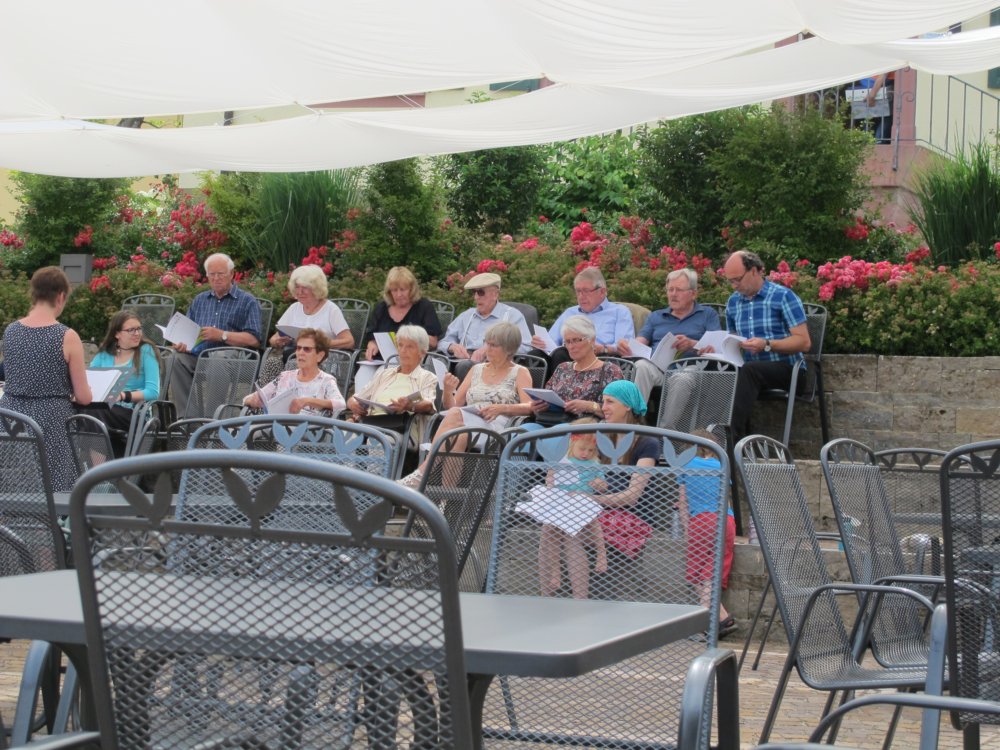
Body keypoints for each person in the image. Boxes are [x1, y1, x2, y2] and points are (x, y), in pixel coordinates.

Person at [400, 321, 533, 487]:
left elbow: (530, 407)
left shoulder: (520, 372)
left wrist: (502, 408)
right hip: (470, 423)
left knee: (456, 417)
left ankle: (422, 473)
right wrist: (448, 390)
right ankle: (446, 501)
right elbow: (453, 406)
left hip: (497, 427)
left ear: (508, 348)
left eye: (494, 345)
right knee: (460, 436)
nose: (488, 349)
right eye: (487, 343)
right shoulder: (476, 369)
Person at [0, 267, 92, 491]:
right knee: (54, 489)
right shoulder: (66, 336)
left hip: (11, 419)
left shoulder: (11, 331)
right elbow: (83, 396)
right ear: (60, 296)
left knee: (15, 488)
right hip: (50, 422)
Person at [711, 250, 810, 441]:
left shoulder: (782, 296)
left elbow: (804, 342)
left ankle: (728, 439)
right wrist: (717, 349)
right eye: (730, 281)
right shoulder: (733, 302)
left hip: (789, 370)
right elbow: (733, 340)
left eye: (738, 279)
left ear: (755, 271)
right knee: (714, 370)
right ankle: (703, 437)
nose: (734, 285)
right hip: (749, 371)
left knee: (750, 370)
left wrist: (767, 344)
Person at [170, 253, 261, 409]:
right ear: (207, 276)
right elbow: (185, 330)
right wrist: (180, 342)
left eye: (221, 274)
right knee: (174, 358)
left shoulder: (247, 301)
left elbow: (254, 339)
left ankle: (211, 420)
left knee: (217, 359)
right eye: (212, 274)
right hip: (199, 354)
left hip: (233, 358)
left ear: (231, 274)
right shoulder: (199, 300)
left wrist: (222, 335)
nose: (216, 278)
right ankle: (187, 420)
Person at [616, 268, 720, 402]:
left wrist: (692, 344)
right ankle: (632, 416)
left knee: (681, 379)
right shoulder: (656, 316)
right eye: (670, 290)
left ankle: (666, 424)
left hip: (692, 368)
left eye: (679, 290)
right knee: (641, 365)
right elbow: (640, 341)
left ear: (693, 294)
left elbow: (716, 346)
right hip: (658, 368)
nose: (673, 294)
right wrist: (626, 346)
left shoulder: (707, 314)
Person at [538, 421, 608, 599]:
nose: (585, 454)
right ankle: (556, 572)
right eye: (582, 449)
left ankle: (602, 554)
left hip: (584, 504)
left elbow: (604, 485)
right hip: (562, 505)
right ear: (572, 445)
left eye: (590, 450)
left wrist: (599, 484)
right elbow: (550, 479)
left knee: (594, 522)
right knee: (550, 528)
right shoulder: (563, 460)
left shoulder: (595, 464)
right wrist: (551, 484)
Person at [677, 429, 737, 637]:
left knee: (697, 573)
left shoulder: (686, 465)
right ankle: (721, 618)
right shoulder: (722, 464)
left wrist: (686, 528)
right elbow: (726, 497)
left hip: (700, 520)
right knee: (713, 569)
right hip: (726, 520)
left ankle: (704, 622)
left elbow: (682, 502)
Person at [81, 311, 161, 456]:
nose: (137, 333)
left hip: (134, 413)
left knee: (93, 412)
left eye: (139, 328)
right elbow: (88, 380)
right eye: (131, 330)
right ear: (117, 334)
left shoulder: (146, 351)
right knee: (79, 410)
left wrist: (123, 395)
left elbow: (153, 392)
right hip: (105, 410)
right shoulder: (104, 355)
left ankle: (97, 470)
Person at [348, 324, 438, 446]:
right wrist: (352, 402)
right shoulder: (384, 374)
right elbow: (358, 396)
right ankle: (344, 466)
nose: (403, 351)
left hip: (402, 430)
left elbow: (429, 404)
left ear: (422, 352)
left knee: (377, 440)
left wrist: (410, 405)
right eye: (400, 345)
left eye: (410, 347)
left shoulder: (427, 377)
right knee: (344, 433)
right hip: (372, 423)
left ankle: (370, 465)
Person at [526, 315, 621, 428]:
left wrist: (590, 406)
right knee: (522, 431)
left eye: (576, 340)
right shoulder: (563, 368)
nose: (571, 346)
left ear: (592, 340)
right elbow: (548, 397)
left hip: (586, 430)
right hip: (551, 422)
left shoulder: (610, 370)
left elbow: (619, 412)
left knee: (559, 430)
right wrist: (540, 406)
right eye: (567, 342)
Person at [530, 267, 634, 368]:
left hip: (601, 360)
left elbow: (625, 347)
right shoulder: (570, 312)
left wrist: (603, 349)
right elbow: (551, 341)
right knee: (535, 354)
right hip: (567, 356)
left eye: (586, 291)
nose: (581, 296)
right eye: (578, 291)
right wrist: (541, 343)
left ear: (602, 291)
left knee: (562, 354)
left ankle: (558, 385)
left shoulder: (619, 312)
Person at [436, 273, 530, 378]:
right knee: (435, 361)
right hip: (462, 361)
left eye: (481, 292)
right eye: (474, 292)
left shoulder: (512, 316)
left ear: (495, 294)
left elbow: (526, 346)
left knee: (464, 366)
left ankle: (459, 394)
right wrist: (452, 347)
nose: (476, 297)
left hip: (495, 367)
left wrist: (491, 349)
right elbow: (442, 342)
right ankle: (435, 394)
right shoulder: (467, 315)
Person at [243, 329, 346, 415]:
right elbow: (257, 397)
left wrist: (307, 401)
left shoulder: (326, 380)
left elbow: (341, 404)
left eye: (307, 349)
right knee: (239, 431)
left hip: (306, 433)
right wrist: (251, 400)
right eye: (298, 348)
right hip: (276, 427)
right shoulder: (285, 376)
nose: (300, 353)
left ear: (320, 355)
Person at [270, 264, 354, 359]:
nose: (300, 292)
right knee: (272, 362)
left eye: (305, 287)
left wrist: (320, 343)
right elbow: (274, 338)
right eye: (297, 287)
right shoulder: (294, 308)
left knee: (295, 364)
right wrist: (276, 341)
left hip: (321, 360)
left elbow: (349, 341)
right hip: (295, 356)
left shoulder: (331, 309)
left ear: (316, 288)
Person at [363, 267, 443, 360]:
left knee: (383, 374)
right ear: (389, 292)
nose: (398, 294)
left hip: (411, 361)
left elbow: (433, 342)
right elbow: (371, 336)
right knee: (362, 374)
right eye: (394, 290)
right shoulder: (381, 308)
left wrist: (409, 336)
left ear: (411, 289)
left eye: (402, 289)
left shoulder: (424, 307)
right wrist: (372, 344)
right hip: (380, 360)